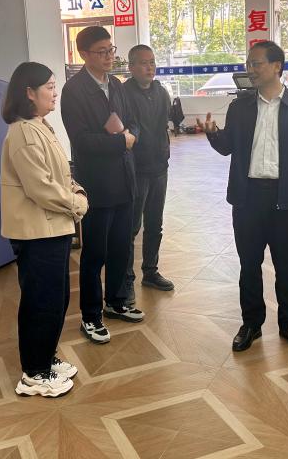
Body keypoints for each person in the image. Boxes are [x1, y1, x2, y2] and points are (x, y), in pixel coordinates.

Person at [197, 41, 288, 353]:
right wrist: (213, 133)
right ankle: (251, 323)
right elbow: (227, 147)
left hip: (285, 197)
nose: (250, 69)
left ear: (277, 66)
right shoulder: (240, 107)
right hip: (248, 196)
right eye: (249, 64)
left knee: (286, 264)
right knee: (249, 263)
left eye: (257, 63)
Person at [0, 61, 88, 398]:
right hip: (37, 232)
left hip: (52, 227)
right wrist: (76, 203)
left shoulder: (40, 125)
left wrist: (76, 190)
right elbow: (40, 187)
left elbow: (59, 175)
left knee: (56, 298)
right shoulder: (23, 132)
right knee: (41, 301)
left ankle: (45, 358)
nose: (55, 92)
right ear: (29, 92)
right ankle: (34, 373)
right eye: (49, 87)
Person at [61, 26, 145, 346]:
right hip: (97, 184)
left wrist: (131, 135)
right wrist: (121, 141)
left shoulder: (117, 85)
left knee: (122, 247)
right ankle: (91, 315)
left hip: (125, 179)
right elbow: (81, 141)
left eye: (111, 50)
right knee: (95, 253)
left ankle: (116, 302)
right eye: (102, 52)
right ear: (83, 54)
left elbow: (133, 121)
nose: (110, 56)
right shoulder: (74, 91)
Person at [119, 44, 174, 306]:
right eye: (143, 63)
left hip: (159, 168)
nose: (149, 67)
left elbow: (163, 126)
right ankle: (126, 279)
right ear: (131, 67)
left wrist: (164, 151)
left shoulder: (161, 92)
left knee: (155, 224)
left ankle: (150, 272)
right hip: (135, 169)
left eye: (152, 62)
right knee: (131, 227)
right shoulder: (122, 93)